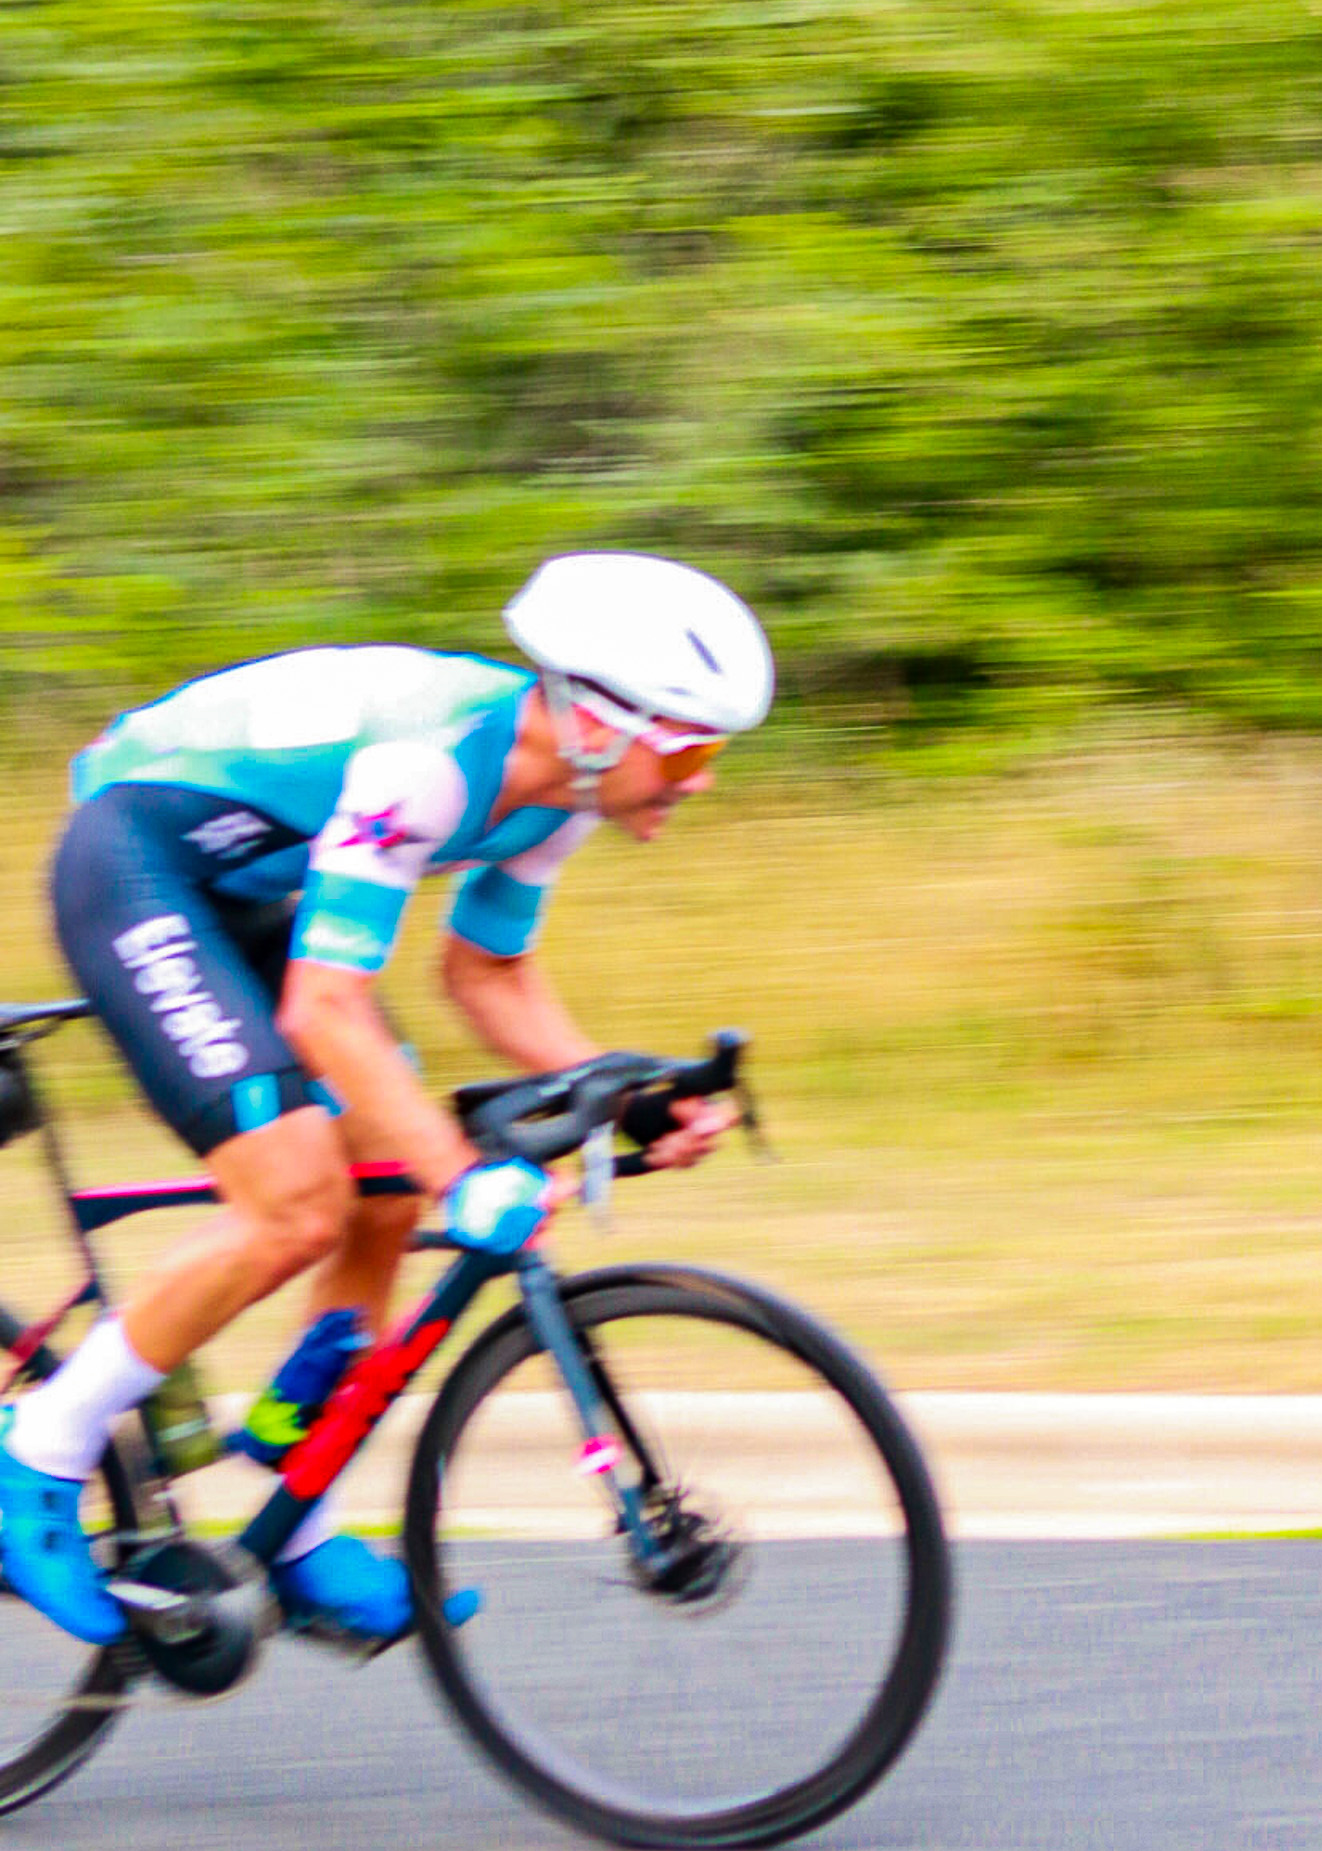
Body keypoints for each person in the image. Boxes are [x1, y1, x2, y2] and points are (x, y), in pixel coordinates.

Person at [0, 552, 770, 1645]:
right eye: (691, 747)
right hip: (137, 862)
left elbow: (487, 973)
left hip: (247, 896)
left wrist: (632, 1096)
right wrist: (467, 1178)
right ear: (602, 722)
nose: (701, 779)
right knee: (297, 1197)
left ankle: (295, 1504)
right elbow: (324, 1011)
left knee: (383, 1190)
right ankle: (36, 1449)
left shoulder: (556, 795)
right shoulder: (428, 769)